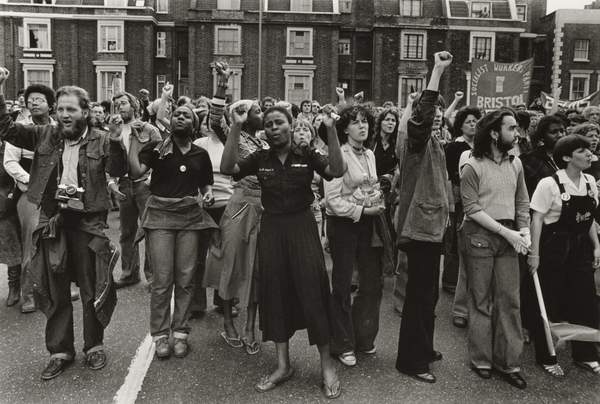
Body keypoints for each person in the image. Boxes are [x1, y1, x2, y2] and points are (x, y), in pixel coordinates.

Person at [0, 67, 121, 380]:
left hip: (88, 222)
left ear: (84, 111)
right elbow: (7, 130)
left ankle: (93, 346)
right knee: (55, 289)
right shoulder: (44, 134)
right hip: (52, 220)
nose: (65, 114)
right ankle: (60, 350)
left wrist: (119, 140)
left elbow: (120, 169)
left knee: (92, 285)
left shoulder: (102, 140)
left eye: (72, 109)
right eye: (62, 109)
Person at [221, 104, 345, 399]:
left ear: (291, 125)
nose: (273, 127)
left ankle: (327, 366)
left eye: (279, 122)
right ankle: (282, 365)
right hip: (273, 229)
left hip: (302, 227)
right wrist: (236, 126)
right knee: (275, 293)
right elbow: (229, 168)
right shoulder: (260, 158)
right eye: (268, 124)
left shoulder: (307, 154)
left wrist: (331, 129)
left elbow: (337, 170)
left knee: (313, 291)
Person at [115, 102, 217, 359]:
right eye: (177, 114)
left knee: (185, 277)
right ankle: (160, 335)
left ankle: (181, 332)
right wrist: (126, 144)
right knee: (162, 280)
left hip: (190, 218)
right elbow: (137, 171)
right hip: (160, 215)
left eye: (187, 115)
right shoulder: (157, 149)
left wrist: (208, 195)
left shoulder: (199, 155)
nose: (181, 117)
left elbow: (205, 186)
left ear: (194, 125)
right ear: (170, 122)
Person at [460, 109, 530, 389]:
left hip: (510, 235)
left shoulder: (516, 164)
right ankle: (481, 359)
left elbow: (522, 201)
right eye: (511, 128)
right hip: (480, 235)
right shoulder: (473, 165)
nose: (517, 134)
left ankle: (509, 362)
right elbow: (471, 208)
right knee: (480, 300)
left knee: (510, 301)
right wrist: (507, 232)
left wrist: (523, 230)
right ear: (493, 132)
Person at [393, 51, 452, 383]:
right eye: (435, 112)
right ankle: (411, 361)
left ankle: (423, 348)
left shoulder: (437, 144)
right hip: (419, 230)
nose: (438, 117)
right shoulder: (416, 141)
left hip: (433, 227)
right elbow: (421, 118)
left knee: (429, 294)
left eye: (442, 112)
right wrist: (437, 71)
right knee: (419, 295)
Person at [203, 64, 268, 353]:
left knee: (256, 269)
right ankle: (228, 322)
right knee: (231, 265)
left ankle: (250, 326)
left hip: (264, 209)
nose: (262, 114)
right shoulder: (235, 133)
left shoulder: (264, 141)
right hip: (240, 205)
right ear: (242, 115)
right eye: (257, 111)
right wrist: (222, 86)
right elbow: (216, 118)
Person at [527, 135, 600, 377]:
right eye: (583, 150)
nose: (590, 154)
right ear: (567, 157)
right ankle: (546, 355)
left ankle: (585, 354)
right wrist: (534, 255)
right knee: (548, 302)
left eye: (590, 149)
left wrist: (596, 245)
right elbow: (536, 219)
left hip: (581, 250)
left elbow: (588, 218)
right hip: (554, 248)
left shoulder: (590, 181)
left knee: (584, 300)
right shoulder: (549, 184)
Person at [324, 104, 384, 367]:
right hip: (344, 225)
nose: (363, 126)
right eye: (356, 122)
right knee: (342, 284)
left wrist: (377, 197)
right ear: (344, 128)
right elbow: (332, 201)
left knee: (371, 282)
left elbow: (369, 186)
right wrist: (363, 210)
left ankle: (363, 337)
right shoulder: (338, 154)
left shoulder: (370, 154)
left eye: (366, 122)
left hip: (368, 225)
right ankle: (342, 343)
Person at [3, 84, 56, 313]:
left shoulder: (59, 129)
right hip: (30, 195)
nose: (33, 102)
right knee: (31, 242)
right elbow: (10, 163)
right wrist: (34, 181)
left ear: (51, 106)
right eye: (30, 99)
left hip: (57, 194)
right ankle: (27, 293)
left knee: (60, 241)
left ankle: (59, 288)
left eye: (39, 99)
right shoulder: (22, 130)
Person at [109, 91, 161, 289]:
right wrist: (111, 183)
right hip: (124, 184)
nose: (120, 107)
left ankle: (153, 277)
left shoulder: (149, 129)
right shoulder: (113, 129)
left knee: (149, 231)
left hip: (144, 185)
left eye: (123, 103)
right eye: (117, 105)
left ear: (134, 106)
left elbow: (161, 156)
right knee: (126, 232)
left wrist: (152, 181)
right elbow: (110, 160)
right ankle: (129, 273)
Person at [444, 106, 482, 326]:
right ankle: (451, 282)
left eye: (475, 120)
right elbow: (449, 176)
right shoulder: (455, 147)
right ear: (460, 124)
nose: (472, 124)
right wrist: (450, 202)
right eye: (468, 121)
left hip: (478, 199)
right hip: (459, 198)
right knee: (458, 243)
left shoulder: (482, 146)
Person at [0, 139, 22, 307]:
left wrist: (8, 199)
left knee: (11, 244)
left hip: (6, 202)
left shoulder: (8, 148)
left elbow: (13, 174)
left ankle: (14, 286)